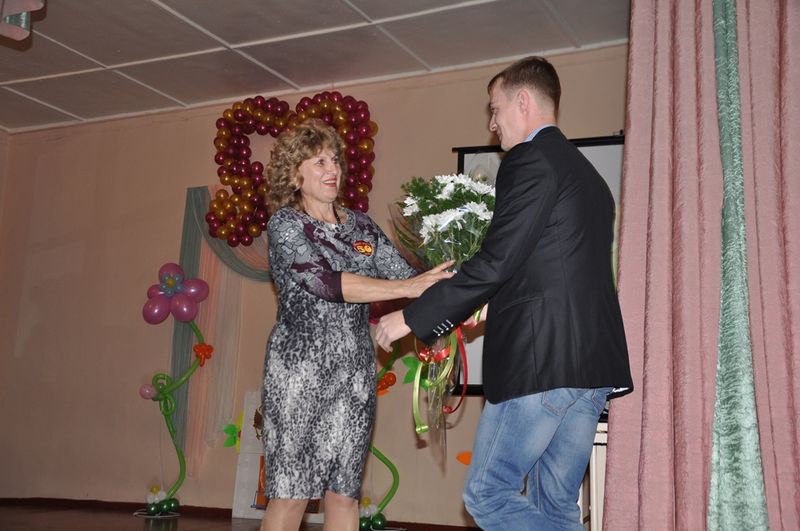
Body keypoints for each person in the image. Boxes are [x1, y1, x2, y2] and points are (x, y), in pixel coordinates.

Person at [375, 56, 633, 530]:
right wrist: (492, 301)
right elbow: (549, 266)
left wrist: (412, 317)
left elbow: (497, 259)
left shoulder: (530, 160)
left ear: (523, 101)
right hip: (592, 366)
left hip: (543, 362)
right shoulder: (590, 177)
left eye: (494, 110)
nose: (492, 124)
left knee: (487, 494)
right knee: (555, 507)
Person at [260, 119, 453, 531]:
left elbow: (407, 276)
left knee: (344, 494)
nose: (333, 169)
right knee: (291, 496)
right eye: (319, 162)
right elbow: (325, 283)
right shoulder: (286, 225)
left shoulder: (361, 227)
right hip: (298, 375)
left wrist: (456, 280)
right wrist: (407, 286)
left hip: (354, 375)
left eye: (335, 160)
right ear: (294, 174)